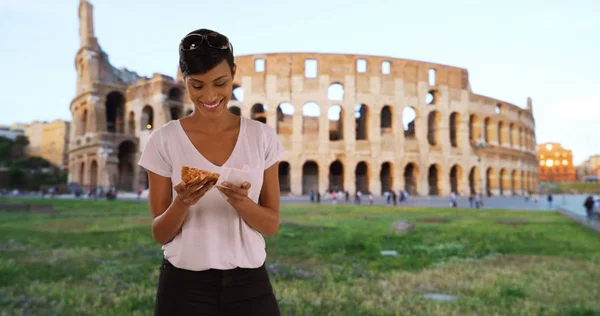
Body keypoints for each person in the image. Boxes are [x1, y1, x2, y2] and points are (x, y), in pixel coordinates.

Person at [138, 29, 284, 315]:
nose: (210, 96)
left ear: (233, 73)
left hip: (249, 284)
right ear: (184, 80)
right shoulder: (163, 140)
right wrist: (182, 202)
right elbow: (160, 233)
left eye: (220, 83)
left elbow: (271, 225)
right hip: (183, 286)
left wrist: (240, 201)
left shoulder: (262, 137)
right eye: (197, 86)